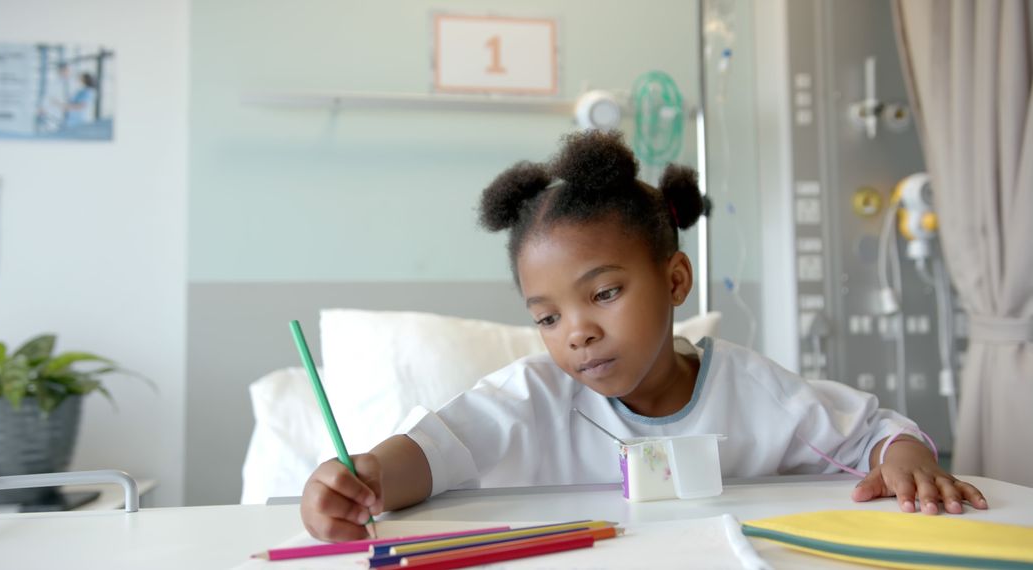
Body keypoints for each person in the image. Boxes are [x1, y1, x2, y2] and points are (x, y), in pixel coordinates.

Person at [299, 130, 987, 542]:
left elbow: (874, 433)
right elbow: (435, 449)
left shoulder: (754, 393)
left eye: (604, 293)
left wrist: (904, 458)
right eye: (547, 317)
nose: (578, 332)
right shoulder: (530, 398)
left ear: (676, 281)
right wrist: (368, 477)